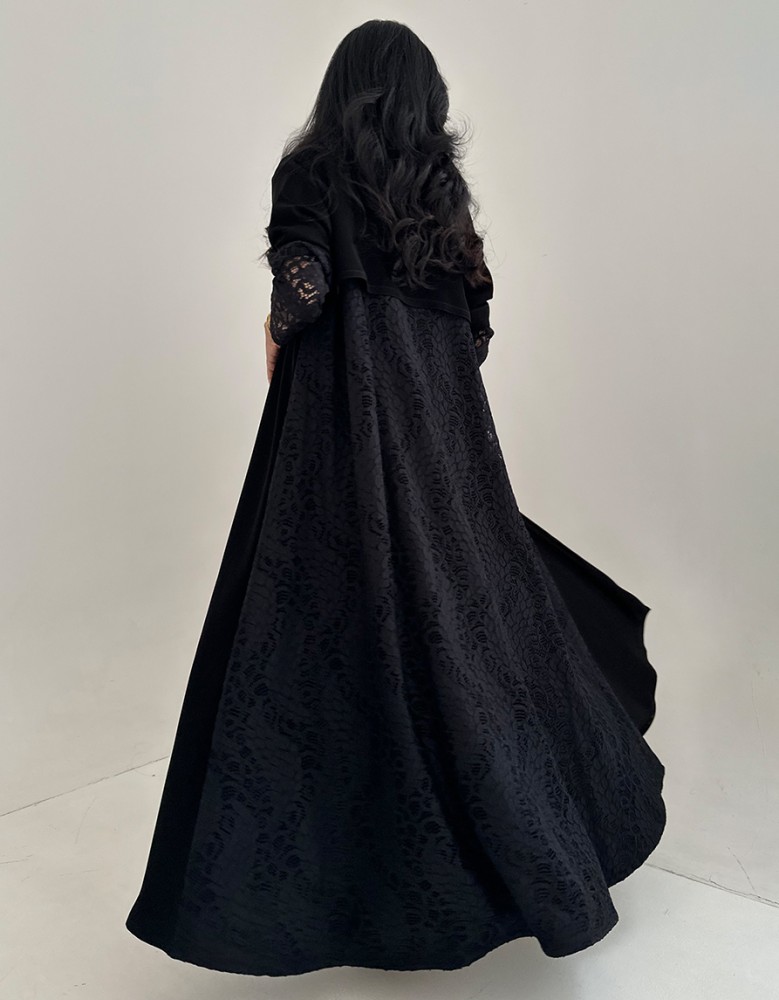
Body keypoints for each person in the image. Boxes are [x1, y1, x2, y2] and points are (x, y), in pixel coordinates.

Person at [125, 18, 666, 976]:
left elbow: (304, 288)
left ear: (343, 89)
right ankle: (518, 842)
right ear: (425, 100)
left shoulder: (312, 170)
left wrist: (277, 327)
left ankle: (348, 877)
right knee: (467, 613)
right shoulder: (440, 190)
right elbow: (478, 326)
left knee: (331, 621)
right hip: (444, 438)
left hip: (340, 438)